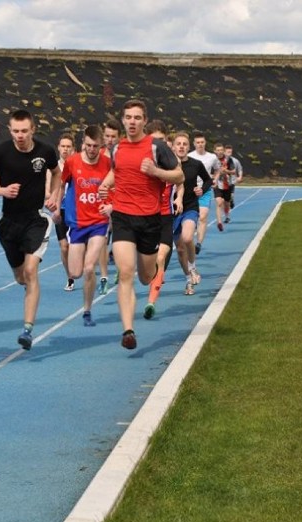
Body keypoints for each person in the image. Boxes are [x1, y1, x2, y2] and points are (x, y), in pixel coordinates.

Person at [98, 99, 184, 350]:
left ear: (144, 121)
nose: (132, 122)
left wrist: (157, 173)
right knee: (125, 272)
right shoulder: (117, 149)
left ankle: (154, 270)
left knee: (145, 277)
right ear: (123, 120)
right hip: (123, 217)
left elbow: (178, 175)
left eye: (137, 117)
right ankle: (128, 330)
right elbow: (118, 170)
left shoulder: (156, 147)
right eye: (128, 117)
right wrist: (106, 184)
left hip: (149, 219)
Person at [0, 109, 62, 350]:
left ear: (33, 130)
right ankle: (30, 289)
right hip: (8, 223)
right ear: (10, 130)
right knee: (20, 277)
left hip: (35, 220)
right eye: (15, 131)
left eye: (24, 131)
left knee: (30, 271)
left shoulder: (45, 152)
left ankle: (27, 330)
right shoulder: (0, 153)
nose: (20, 135)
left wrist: (55, 195)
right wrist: (1, 191)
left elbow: (57, 173)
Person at [61, 125, 112, 326]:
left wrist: (111, 205)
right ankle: (84, 285)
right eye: (89, 145)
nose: (92, 150)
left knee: (89, 267)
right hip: (77, 223)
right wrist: (56, 207)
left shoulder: (108, 163)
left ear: (101, 146)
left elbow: (118, 185)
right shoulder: (72, 162)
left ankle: (87, 311)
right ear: (83, 142)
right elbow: (61, 182)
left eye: (96, 147)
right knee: (75, 272)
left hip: (99, 221)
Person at [172, 132, 213, 295]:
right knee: (180, 249)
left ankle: (193, 267)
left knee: (188, 237)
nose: (181, 146)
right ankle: (188, 279)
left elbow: (208, 180)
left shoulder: (195, 164)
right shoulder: (167, 166)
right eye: (178, 144)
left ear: (188, 148)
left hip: (190, 206)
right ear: (173, 147)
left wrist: (201, 190)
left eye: (184, 144)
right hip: (173, 211)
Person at [142, 120, 174, 319]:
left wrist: (179, 197)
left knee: (160, 258)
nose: (159, 145)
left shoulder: (171, 162)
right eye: (155, 141)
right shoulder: (142, 161)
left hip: (165, 217)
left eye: (162, 140)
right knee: (145, 264)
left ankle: (151, 303)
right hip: (145, 217)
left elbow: (180, 180)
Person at [97, 118, 122, 294]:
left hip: (120, 202)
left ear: (119, 137)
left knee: (120, 241)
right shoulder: (98, 155)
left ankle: (121, 268)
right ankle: (104, 277)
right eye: (107, 136)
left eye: (113, 136)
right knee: (102, 241)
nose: (110, 139)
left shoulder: (123, 155)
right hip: (102, 202)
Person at [188, 132, 218, 254]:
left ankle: (198, 243)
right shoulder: (189, 156)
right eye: (198, 142)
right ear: (194, 144)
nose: (200, 144)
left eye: (202, 142)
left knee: (203, 216)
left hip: (204, 190)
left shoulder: (212, 157)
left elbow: (217, 169)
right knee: (193, 217)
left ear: (205, 143)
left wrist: (214, 179)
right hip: (191, 190)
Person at [54, 132, 76, 292]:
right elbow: (47, 189)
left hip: (76, 210)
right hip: (59, 210)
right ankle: (70, 278)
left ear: (73, 149)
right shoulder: (53, 168)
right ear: (58, 148)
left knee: (78, 245)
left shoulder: (77, 165)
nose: (65, 149)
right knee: (64, 247)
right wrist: (51, 202)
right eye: (63, 146)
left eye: (68, 146)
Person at [211, 142, 235, 231]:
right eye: (218, 150)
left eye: (221, 150)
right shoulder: (212, 160)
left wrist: (226, 171)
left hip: (227, 184)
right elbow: (209, 173)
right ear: (214, 151)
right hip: (217, 185)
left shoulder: (228, 160)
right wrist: (215, 176)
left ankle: (227, 216)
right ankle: (219, 223)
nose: (220, 152)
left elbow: (233, 171)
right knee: (219, 202)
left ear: (224, 151)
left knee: (226, 204)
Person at [224, 144, 243, 220]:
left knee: (227, 200)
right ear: (224, 152)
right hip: (222, 183)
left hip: (231, 182)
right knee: (222, 201)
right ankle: (227, 215)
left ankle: (227, 216)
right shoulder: (219, 160)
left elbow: (240, 169)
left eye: (230, 152)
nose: (229, 153)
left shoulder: (235, 161)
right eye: (228, 152)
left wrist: (240, 177)